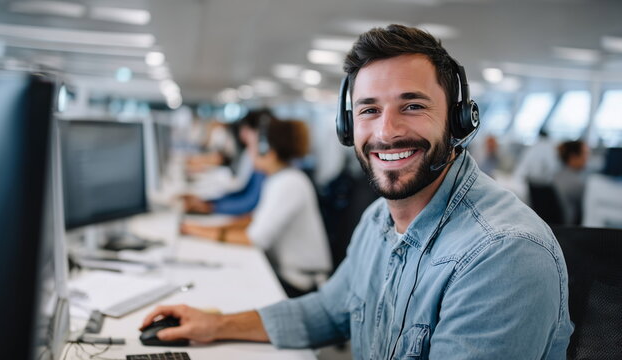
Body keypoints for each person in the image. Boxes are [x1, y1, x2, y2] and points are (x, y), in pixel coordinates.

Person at [141, 25, 573, 359]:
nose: (386, 132)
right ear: (348, 128)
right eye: (369, 110)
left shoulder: (503, 254)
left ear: (459, 122)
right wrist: (215, 325)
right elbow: (329, 311)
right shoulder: (379, 219)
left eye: (413, 105)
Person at [180, 117, 332, 297]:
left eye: (252, 147)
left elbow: (255, 238)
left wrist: (196, 231)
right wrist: (201, 228)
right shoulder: (278, 178)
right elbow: (254, 219)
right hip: (283, 273)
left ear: (268, 151)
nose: (249, 153)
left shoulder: (289, 183)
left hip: (299, 283)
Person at [182, 110, 271, 215]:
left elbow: (249, 201)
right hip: (229, 207)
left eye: (246, 130)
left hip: (238, 215)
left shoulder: (261, 162)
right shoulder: (248, 154)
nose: (242, 134)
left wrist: (211, 206)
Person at [554, 140, 589, 225]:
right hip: (569, 227)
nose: (587, 159)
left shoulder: (555, 176)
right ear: (573, 157)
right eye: (585, 154)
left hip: (555, 226)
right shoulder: (576, 183)